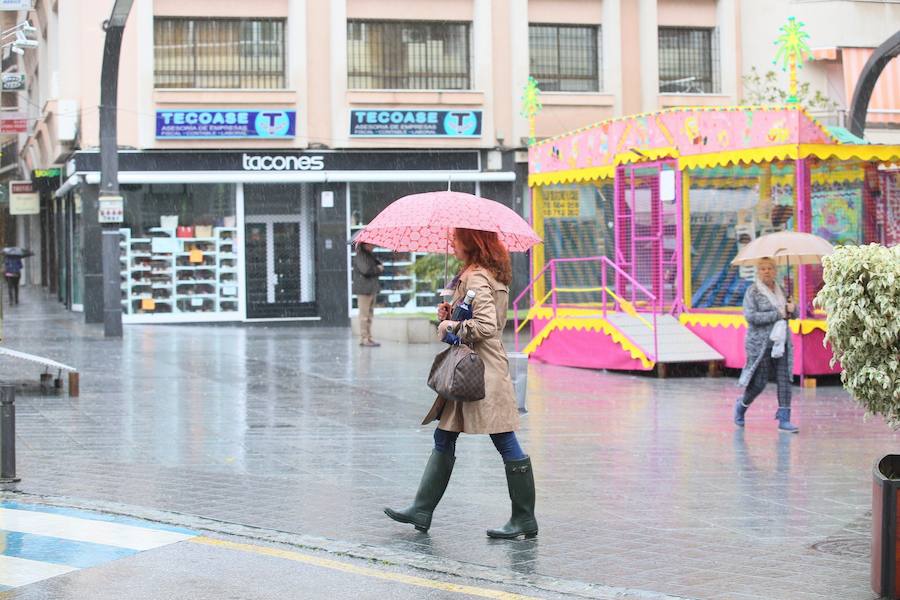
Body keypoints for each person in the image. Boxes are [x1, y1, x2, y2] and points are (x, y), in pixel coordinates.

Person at [384, 228, 537, 539]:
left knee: (503, 438)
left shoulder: (477, 277)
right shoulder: (485, 274)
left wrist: (450, 324)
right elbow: (479, 317)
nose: (452, 243)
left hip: (479, 371)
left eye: (457, 238)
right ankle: (422, 509)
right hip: (473, 368)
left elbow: (486, 326)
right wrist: (451, 313)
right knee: (445, 435)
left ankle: (524, 518)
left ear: (472, 241)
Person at [734, 257, 799, 433]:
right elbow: (751, 317)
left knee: (785, 379)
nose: (767, 271)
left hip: (781, 343)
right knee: (759, 382)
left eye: (770, 268)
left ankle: (784, 419)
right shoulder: (752, 292)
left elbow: (793, 314)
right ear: (758, 271)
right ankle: (741, 406)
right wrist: (777, 314)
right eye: (762, 268)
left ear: (775, 270)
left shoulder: (783, 291)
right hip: (759, 344)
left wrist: (793, 308)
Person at [352, 242, 383, 347]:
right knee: (364, 316)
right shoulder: (360, 256)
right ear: (364, 245)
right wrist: (378, 269)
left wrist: (377, 264)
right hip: (364, 290)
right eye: (371, 244)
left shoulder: (369, 255)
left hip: (371, 289)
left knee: (369, 315)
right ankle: (364, 338)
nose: (373, 246)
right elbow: (366, 270)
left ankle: (368, 338)